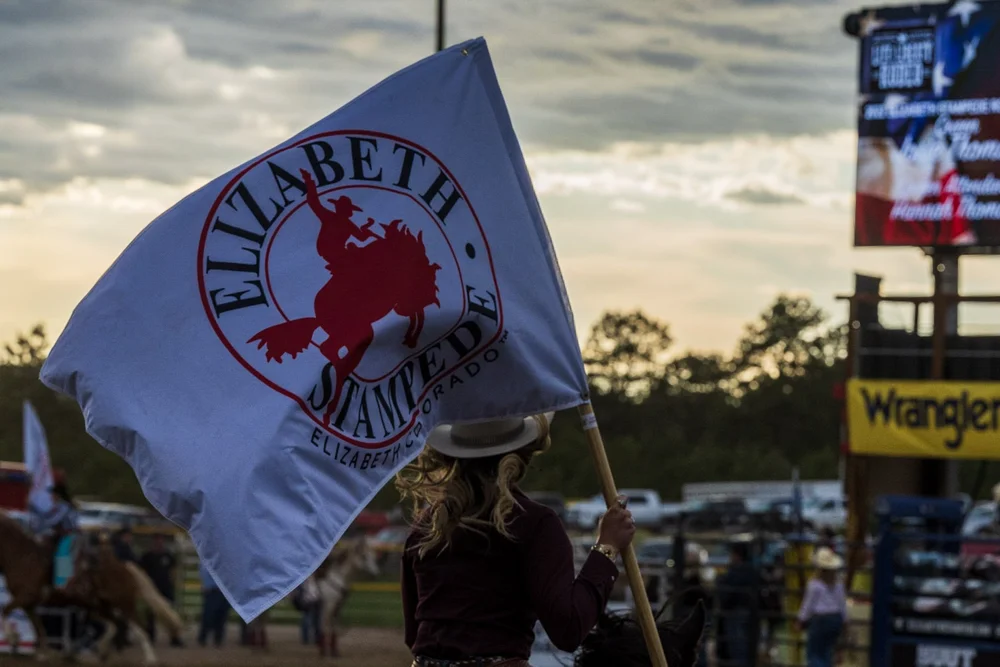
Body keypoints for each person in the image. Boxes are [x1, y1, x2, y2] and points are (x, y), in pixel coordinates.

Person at [396, 412, 636, 667]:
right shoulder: (534, 524)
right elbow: (569, 628)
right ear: (523, 454)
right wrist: (607, 547)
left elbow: (414, 634)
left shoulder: (426, 526)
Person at [797, 547, 847, 667]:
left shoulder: (815, 584)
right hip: (835, 618)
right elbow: (842, 604)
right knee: (827, 651)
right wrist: (845, 621)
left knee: (814, 653)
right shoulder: (838, 584)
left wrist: (801, 619)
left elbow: (808, 605)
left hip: (820, 619)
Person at [27, 481, 80, 588]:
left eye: (52, 494)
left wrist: (39, 520)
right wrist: (33, 508)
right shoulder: (60, 506)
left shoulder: (64, 507)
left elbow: (52, 520)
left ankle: (63, 584)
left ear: (58, 495)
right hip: (62, 535)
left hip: (70, 536)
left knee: (62, 554)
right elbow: (47, 516)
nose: (51, 496)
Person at [715, 540, 757, 667]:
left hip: (735, 613)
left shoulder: (736, 572)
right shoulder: (751, 570)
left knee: (737, 647)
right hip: (746, 612)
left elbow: (728, 591)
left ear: (737, 555)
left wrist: (720, 581)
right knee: (743, 646)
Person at [140, 534, 183, 647]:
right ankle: (150, 637)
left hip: (166, 588)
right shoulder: (147, 556)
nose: (159, 543)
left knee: (170, 614)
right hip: (152, 589)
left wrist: (173, 583)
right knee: (150, 614)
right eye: (157, 540)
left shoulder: (168, 555)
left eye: (161, 540)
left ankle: (174, 637)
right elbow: (142, 572)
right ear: (153, 542)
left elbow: (173, 570)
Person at [675, 543, 712, 667]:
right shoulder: (683, 575)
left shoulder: (700, 577)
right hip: (687, 614)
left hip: (694, 614)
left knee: (699, 648)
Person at [197, 562, 230, 647]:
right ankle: (203, 637)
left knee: (221, 616)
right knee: (209, 615)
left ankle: (217, 639)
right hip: (212, 590)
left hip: (223, 590)